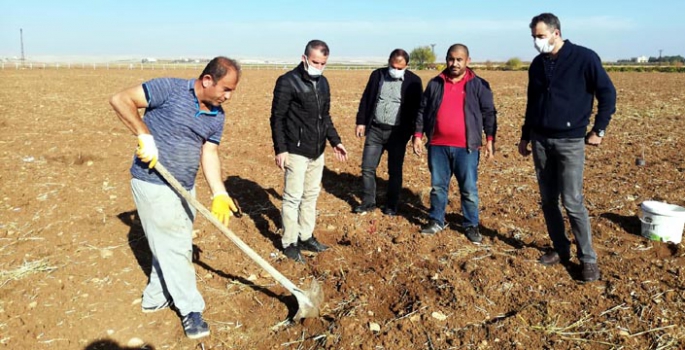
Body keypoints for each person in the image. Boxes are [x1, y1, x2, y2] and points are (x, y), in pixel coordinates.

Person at [109, 57, 241, 339]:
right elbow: (120, 99)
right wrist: (144, 135)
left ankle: (155, 297)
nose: (228, 96)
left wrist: (219, 191)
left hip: (184, 186)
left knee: (173, 243)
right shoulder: (168, 90)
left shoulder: (217, 116)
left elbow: (209, 153)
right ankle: (191, 309)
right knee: (177, 247)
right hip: (153, 182)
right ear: (208, 80)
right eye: (226, 89)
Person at [518, 13, 616, 282]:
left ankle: (588, 259)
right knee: (548, 200)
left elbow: (607, 93)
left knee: (572, 202)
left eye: (540, 36)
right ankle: (561, 249)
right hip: (540, 141)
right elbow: (532, 103)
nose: (537, 42)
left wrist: (599, 129)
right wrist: (526, 136)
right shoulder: (537, 65)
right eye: (534, 37)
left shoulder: (584, 58)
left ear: (556, 33)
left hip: (571, 141)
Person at [270, 40, 348, 263]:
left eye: (323, 63)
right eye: (315, 62)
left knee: (311, 195)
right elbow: (277, 118)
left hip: (317, 150)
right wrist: (280, 149)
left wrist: (335, 141)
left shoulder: (323, 83)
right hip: (295, 150)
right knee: (293, 197)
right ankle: (289, 242)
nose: (319, 67)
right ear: (304, 58)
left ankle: (305, 236)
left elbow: (325, 117)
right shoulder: (288, 82)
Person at [413, 44, 497, 243]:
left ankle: (471, 224)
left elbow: (489, 113)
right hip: (438, 145)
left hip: (467, 147)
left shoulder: (479, 84)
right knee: (438, 186)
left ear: (467, 61)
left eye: (459, 59)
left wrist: (490, 139)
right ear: (446, 59)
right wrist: (417, 134)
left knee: (468, 188)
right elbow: (422, 111)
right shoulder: (435, 83)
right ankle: (436, 220)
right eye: (451, 59)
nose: (454, 63)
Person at [353, 49, 423, 216]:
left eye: (400, 68)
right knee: (367, 168)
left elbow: (418, 109)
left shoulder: (414, 81)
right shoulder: (377, 76)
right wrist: (361, 122)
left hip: (397, 133)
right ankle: (368, 202)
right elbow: (366, 98)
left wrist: (416, 134)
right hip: (375, 130)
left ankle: (391, 205)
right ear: (388, 62)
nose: (396, 70)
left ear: (407, 66)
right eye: (393, 66)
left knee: (394, 171)